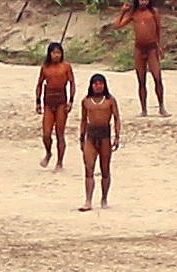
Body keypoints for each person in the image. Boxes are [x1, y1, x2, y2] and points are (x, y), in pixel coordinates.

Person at [114, 0, 169, 117]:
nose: (143, 2)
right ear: (137, 1)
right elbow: (117, 25)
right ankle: (144, 109)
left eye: (146, 0)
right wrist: (123, 12)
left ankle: (161, 106)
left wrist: (160, 46)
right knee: (141, 79)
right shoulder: (134, 14)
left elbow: (158, 30)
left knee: (157, 77)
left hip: (152, 48)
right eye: (141, 0)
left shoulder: (153, 12)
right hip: (139, 48)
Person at [78, 74, 121, 211]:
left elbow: (116, 118)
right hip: (91, 136)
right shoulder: (86, 101)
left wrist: (117, 136)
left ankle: (104, 199)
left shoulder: (110, 101)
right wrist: (81, 138)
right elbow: (84, 120)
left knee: (105, 169)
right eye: (95, 84)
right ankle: (88, 200)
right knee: (89, 168)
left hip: (105, 136)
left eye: (100, 83)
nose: (98, 86)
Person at [35, 42, 76, 172]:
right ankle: (48, 152)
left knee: (60, 133)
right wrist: (38, 101)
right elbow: (39, 84)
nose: (56, 55)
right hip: (48, 101)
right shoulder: (45, 68)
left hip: (61, 101)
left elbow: (72, 83)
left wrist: (71, 100)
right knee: (46, 134)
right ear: (50, 54)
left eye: (58, 52)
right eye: (54, 53)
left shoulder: (66, 67)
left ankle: (59, 162)